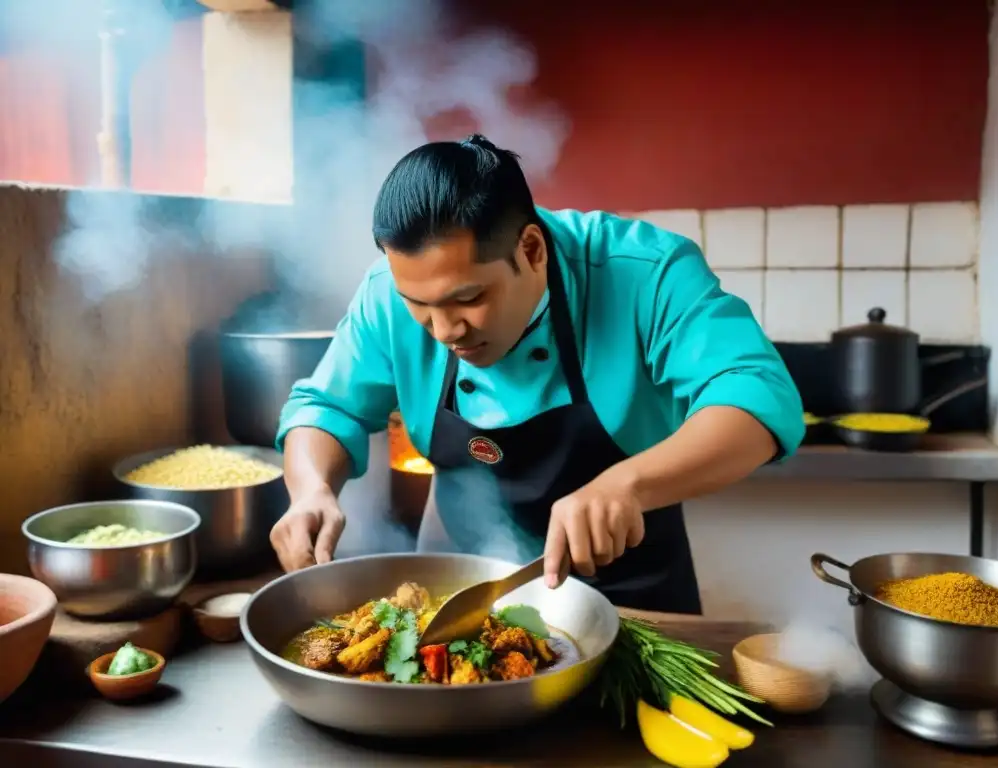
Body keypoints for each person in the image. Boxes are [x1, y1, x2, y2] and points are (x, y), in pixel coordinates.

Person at [269, 134, 804, 614]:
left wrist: (627, 485)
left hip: (634, 596)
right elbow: (326, 407)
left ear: (531, 249)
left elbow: (759, 396)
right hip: (461, 590)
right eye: (419, 305)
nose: (444, 330)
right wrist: (312, 490)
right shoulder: (388, 291)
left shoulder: (643, 272)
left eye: (469, 298)